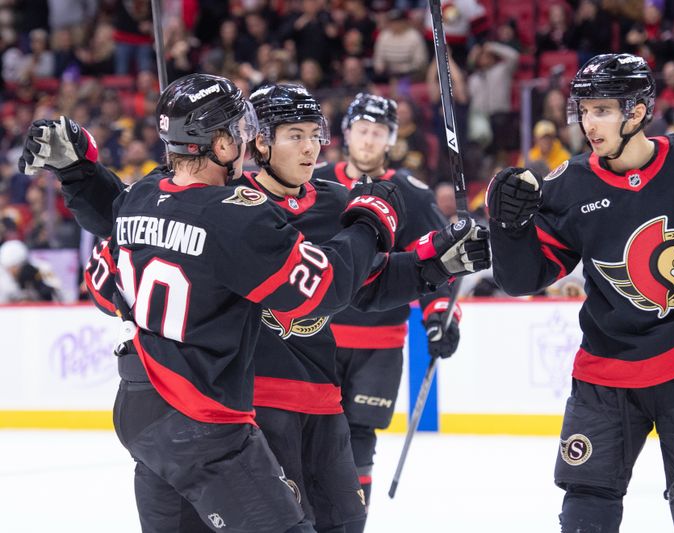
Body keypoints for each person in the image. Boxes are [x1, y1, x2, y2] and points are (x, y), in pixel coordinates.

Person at [21, 79, 490, 533]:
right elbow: (324, 283)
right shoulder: (237, 210)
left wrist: (432, 264)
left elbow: (117, 242)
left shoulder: (161, 193)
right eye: (290, 136)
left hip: (299, 400)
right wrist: (371, 222)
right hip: (237, 409)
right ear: (252, 143)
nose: (309, 149)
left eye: (314, 136)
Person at [486, 54, 674, 532]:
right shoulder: (568, 184)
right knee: (586, 504)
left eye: (603, 109)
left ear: (638, 111)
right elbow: (523, 279)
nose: (589, 122)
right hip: (606, 375)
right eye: (583, 109)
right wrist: (507, 227)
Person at [314, 92, 459, 529]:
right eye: (363, 130)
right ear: (348, 133)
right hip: (317, 334)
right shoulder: (319, 184)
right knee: (308, 432)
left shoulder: (412, 195)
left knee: (359, 438)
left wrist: (440, 318)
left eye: (379, 132)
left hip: (380, 343)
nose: (369, 139)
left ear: (390, 139)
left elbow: (440, 264)